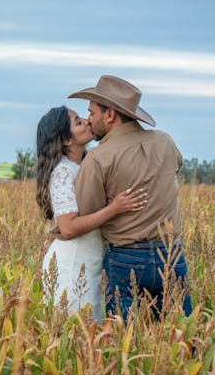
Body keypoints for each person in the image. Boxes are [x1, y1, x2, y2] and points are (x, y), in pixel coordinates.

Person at [68, 75, 192, 320]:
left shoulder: (99, 157)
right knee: (182, 342)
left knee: (125, 345)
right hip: (172, 254)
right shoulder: (165, 141)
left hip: (126, 258)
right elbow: (175, 167)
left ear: (110, 115)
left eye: (92, 113)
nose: (89, 120)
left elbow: (87, 213)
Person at [36, 105, 147, 320]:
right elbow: (68, 228)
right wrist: (114, 208)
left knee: (92, 332)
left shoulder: (87, 165)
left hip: (92, 260)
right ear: (67, 140)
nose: (87, 121)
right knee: (75, 332)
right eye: (78, 122)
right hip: (73, 263)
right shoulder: (63, 173)